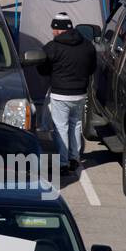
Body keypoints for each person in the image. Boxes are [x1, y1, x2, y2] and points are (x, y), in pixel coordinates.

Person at [39, 12, 96, 175]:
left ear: (58, 29)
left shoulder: (53, 47)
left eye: (53, 29)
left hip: (60, 94)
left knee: (61, 127)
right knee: (76, 124)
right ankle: (74, 158)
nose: (52, 32)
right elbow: (92, 68)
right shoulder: (87, 45)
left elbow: (42, 68)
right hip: (80, 93)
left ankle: (63, 163)